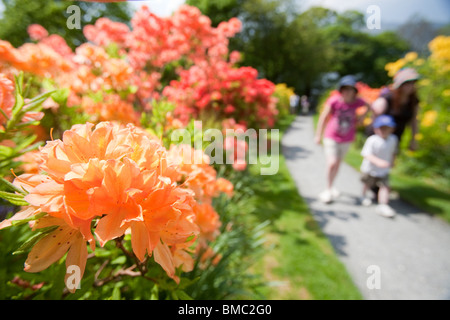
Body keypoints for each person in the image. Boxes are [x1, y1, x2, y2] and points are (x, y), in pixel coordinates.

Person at [315, 75, 370, 203]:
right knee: (332, 162)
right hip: (331, 136)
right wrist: (318, 135)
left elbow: (369, 106)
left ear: (354, 91)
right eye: (345, 89)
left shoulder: (357, 102)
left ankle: (332, 185)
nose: (347, 92)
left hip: (347, 137)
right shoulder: (334, 101)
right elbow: (323, 117)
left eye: (350, 89)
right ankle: (327, 189)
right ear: (341, 90)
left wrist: (362, 117)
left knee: (338, 163)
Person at [370, 68, 420, 151]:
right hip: (380, 136)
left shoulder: (413, 101)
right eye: (407, 83)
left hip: (395, 138)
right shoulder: (388, 97)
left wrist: (413, 139)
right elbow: (375, 114)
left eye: (412, 83)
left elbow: (414, 121)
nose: (410, 86)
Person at [360, 115, 398, 218]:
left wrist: (393, 161)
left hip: (384, 170)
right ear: (376, 129)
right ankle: (363, 196)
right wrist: (378, 162)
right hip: (370, 169)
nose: (384, 131)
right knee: (367, 184)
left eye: (387, 128)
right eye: (382, 128)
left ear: (392, 129)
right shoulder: (372, 140)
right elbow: (366, 154)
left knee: (385, 186)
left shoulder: (393, 139)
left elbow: (393, 152)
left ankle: (383, 204)